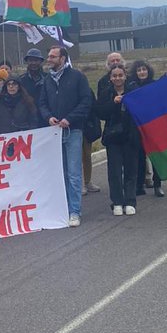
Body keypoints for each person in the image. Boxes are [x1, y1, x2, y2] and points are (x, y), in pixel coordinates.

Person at [37, 45, 94, 227]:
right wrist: (48, 117)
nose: (49, 59)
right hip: (54, 133)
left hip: (73, 130)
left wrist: (70, 118)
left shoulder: (77, 77)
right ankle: (62, 208)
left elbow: (86, 101)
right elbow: (42, 103)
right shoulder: (47, 80)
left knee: (74, 173)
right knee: (60, 172)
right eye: (49, 56)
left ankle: (74, 211)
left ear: (62, 58)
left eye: (53, 57)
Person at [94, 64, 141, 216]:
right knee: (114, 172)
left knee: (131, 170)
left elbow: (141, 108)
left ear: (125, 76)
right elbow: (100, 113)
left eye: (120, 75)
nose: (117, 78)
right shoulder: (106, 93)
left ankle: (130, 201)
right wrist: (114, 103)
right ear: (110, 78)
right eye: (114, 76)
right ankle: (117, 202)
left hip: (131, 136)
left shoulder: (133, 91)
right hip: (113, 137)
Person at [87, 52, 125, 195]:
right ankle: (117, 192)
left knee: (133, 160)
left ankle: (142, 181)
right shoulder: (102, 82)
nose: (115, 62)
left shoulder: (131, 80)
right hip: (112, 127)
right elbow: (100, 106)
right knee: (115, 163)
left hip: (130, 126)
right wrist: (113, 104)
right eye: (112, 61)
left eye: (117, 60)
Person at [130, 59, 163, 197]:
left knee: (155, 156)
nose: (142, 72)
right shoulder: (131, 86)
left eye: (144, 69)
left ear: (148, 71)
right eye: (139, 70)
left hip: (152, 125)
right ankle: (139, 185)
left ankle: (157, 184)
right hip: (137, 126)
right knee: (139, 156)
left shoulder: (155, 85)